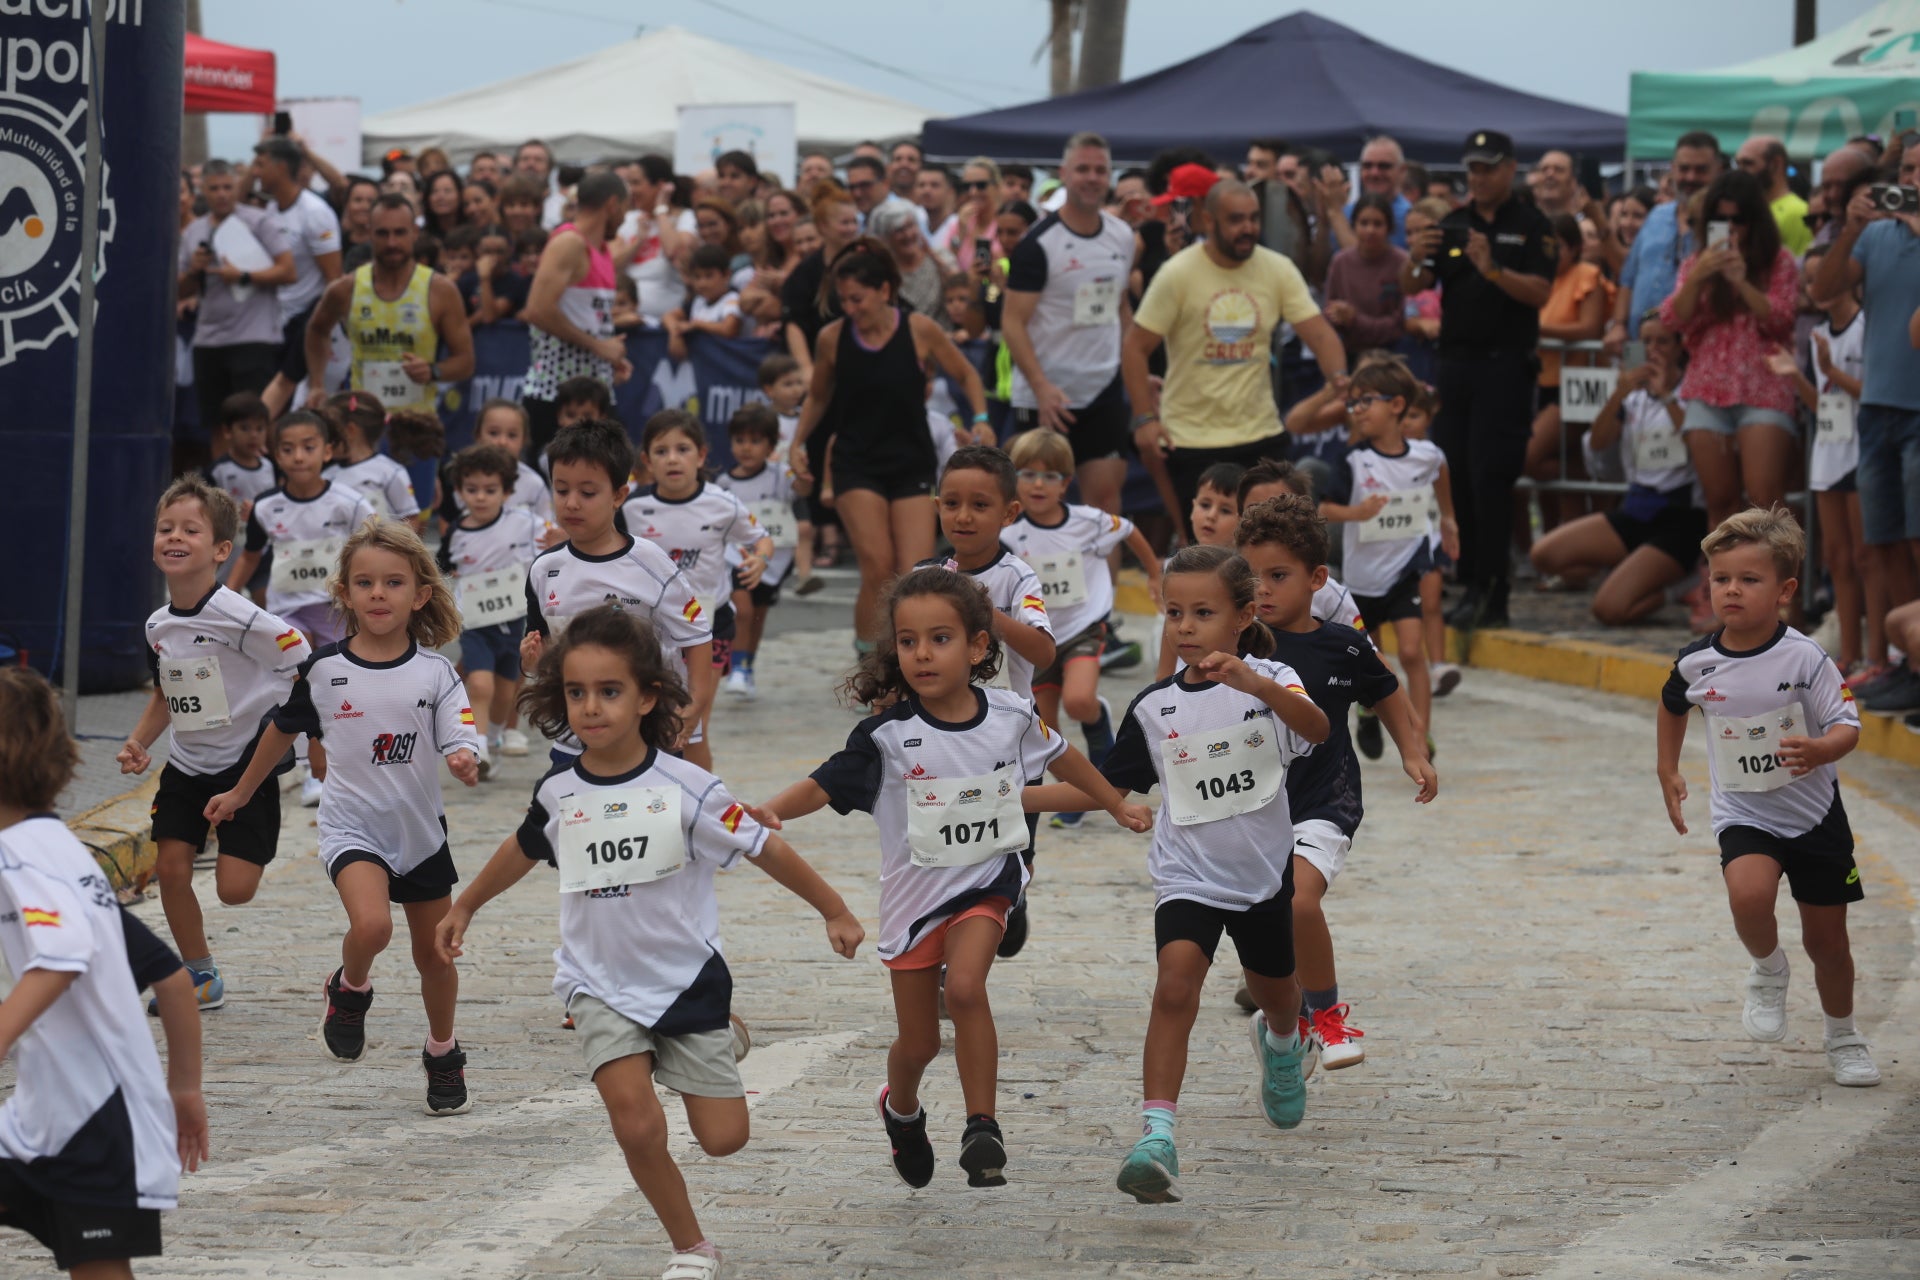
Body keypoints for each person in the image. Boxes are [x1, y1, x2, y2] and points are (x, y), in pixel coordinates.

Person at [438, 606, 859, 1280]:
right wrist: (466, 905)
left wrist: (833, 908)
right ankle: (692, 1247)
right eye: (576, 692)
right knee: (635, 1122)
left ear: (647, 698)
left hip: (686, 979)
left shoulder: (690, 787)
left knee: (724, 1140)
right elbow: (521, 849)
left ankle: (723, 1035)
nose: (590, 707)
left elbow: (763, 848)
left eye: (609, 691)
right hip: (596, 981)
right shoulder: (559, 790)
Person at [763, 565, 1147, 1191]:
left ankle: (982, 1127)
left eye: (939, 638)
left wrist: (1113, 801)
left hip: (987, 883)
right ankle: (902, 1110)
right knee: (917, 1045)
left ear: (976, 646)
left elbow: (1063, 756)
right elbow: (822, 783)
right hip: (914, 905)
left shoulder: (1013, 714)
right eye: (908, 641)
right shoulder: (886, 738)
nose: (921, 653)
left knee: (966, 989)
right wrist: (772, 810)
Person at [1032, 546, 1328, 1203]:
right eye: (1173, 613)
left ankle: (1283, 1042)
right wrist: (1006, 799)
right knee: (1174, 987)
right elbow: (1106, 786)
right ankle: (1155, 1135)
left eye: (1203, 612)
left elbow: (1319, 727)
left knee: (1278, 994)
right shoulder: (1155, 707)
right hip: (1187, 874)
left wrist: (1259, 687)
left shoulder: (1274, 681)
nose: (1185, 626)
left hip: (1261, 879)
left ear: (1244, 617)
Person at [206, 519, 483, 1113]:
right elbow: (281, 732)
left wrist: (464, 754)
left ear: (420, 595)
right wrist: (238, 792)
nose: (378, 593)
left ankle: (442, 1051)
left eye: (393, 582)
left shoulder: (436, 672)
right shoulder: (326, 671)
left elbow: (460, 728)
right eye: (365, 583)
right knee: (374, 927)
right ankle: (351, 988)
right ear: (346, 594)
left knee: (434, 956)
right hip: (353, 829)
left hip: (421, 835)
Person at [1656, 507, 1878, 1088]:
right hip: (1745, 812)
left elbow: (1847, 723)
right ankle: (1768, 969)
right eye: (1721, 578)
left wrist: (1822, 751)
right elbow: (1672, 702)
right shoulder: (1696, 661)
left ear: (1784, 591)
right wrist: (1667, 768)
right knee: (1748, 895)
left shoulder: (1806, 658)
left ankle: (1844, 1034)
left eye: (1749, 580)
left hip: (1812, 817)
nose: (1731, 590)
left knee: (1828, 944)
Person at [0, 667, 206, 1280]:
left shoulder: (25, 854)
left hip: (97, 1120)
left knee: (99, 1269)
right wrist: (185, 1088)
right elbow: (168, 975)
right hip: (45, 1115)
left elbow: (58, 960)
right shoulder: (64, 852)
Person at [1233, 494, 1436, 1064]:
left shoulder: (1343, 644)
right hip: (1251, 810)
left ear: (1317, 578)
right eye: (1250, 577)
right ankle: (1285, 1024)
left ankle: (1327, 1017)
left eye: (1278, 575)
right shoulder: (1234, 646)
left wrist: (1411, 753)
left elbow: (1388, 692)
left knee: (1299, 902)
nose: (1263, 589)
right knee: (1265, 932)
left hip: (1325, 800)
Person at [116, 477, 311, 1014]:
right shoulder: (158, 625)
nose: (174, 537)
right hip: (186, 765)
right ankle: (200, 973)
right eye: (165, 528)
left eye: (190, 530)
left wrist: (298, 728)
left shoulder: (243, 616)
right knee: (172, 867)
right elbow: (166, 691)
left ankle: (248, 833)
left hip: (246, 767)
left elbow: (304, 662)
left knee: (235, 890)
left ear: (221, 550)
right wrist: (139, 741)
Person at [789, 244, 990, 647]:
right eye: (843, 300)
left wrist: (982, 420)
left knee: (915, 573)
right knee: (877, 566)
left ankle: (909, 659)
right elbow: (818, 396)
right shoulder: (832, 338)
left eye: (857, 298)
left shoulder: (918, 329)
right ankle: (870, 659)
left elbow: (966, 374)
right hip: (855, 463)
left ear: (883, 290)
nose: (851, 308)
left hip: (910, 462)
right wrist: (797, 443)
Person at [1127, 180, 1348, 533]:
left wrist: (1338, 379)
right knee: (1203, 552)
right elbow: (1135, 347)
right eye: (1236, 220)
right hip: (1191, 437)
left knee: (1270, 543)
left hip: (1260, 431)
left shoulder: (1277, 268)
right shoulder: (1178, 273)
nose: (1248, 228)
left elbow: (1320, 333)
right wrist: (1143, 419)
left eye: (1254, 218)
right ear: (1209, 221)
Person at [1401, 130, 1555, 629]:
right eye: (1472, 168)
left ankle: (1496, 586)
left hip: (1505, 365)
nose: (1479, 177)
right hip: (1456, 365)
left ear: (1511, 168)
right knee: (1457, 477)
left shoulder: (1531, 224)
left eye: (1488, 167)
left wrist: (1492, 270)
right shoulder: (1454, 222)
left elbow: (1539, 292)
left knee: (1493, 478)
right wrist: (1416, 255)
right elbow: (1415, 284)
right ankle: (1469, 583)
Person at [522, 420, 715, 767]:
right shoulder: (543, 569)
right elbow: (543, 655)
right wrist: (532, 661)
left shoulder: (651, 562)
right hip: (576, 736)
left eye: (588, 492)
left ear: (618, 496)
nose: (572, 503)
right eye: (561, 490)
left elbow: (697, 636)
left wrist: (695, 705)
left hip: (651, 734)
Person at [1809, 141, 1920, 714]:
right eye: (1906, 172)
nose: (1911, 181)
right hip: (1877, 408)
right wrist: (1847, 229)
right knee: (1886, 540)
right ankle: (1910, 662)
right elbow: (1823, 290)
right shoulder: (1877, 235)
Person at [1001, 428, 1161, 817]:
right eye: (1027, 474)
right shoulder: (1009, 532)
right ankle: (1077, 796)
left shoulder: (1088, 521)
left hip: (1083, 628)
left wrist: (1155, 574)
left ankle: (1096, 720)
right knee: (1046, 728)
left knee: (1079, 701)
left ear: (1066, 484)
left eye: (1050, 476)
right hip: (1037, 637)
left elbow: (1129, 530)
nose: (1038, 484)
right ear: (1013, 481)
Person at [1300, 360, 1457, 747]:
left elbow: (1441, 475)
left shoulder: (1426, 454)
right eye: (1353, 403)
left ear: (1398, 405)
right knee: (1372, 659)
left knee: (1410, 651)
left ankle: (1421, 732)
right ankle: (1369, 711)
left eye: (1367, 401)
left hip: (1405, 571)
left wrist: (1449, 520)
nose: (1357, 410)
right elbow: (1324, 508)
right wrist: (1358, 513)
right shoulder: (1353, 460)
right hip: (1362, 578)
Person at [1530, 313, 1704, 624]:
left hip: (1678, 516)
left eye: (1662, 341)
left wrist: (1666, 396)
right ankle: (1632, 568)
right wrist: (1617, 395)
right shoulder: (1632, 395)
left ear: (1680, 346)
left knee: (1608, 610)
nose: (1653, 349)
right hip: (1635, 509)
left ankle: (1679, 586)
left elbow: (1698, 449)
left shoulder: (1692, 391)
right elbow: (1597, 444)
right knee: (1543, 554)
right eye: (1646, 341)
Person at [1001, 132, 1139, 520]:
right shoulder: (1039, 244)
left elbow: (1121, 307)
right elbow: (1012, 323)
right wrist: (1042, 388)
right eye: (1083, 169)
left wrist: (1136, 373)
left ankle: (1103, 584)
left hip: (1102, 390)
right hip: (1047, 397)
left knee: (1106, 509)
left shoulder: (1122, 235)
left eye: (1100, 170)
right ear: (1064, 174)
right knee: (1033, 509)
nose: (1092, 178)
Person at [624, 410, 772, 769]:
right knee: (645, 720)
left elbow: (762, 538)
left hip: (709, 625)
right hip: (650, 628)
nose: (672, 458)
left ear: (701, 455)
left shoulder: (723, 504)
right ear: (646, 460)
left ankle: (704, 805)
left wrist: (760, 560)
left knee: (692, 724)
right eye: (661, 451)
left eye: (683, 449)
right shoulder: (632, 507)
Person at [1659, 170, 1800, 539]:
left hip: (1764, 387)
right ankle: (1721, 592)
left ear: (1755, 220)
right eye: (1721, 219)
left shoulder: (1779, 261)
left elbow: (1782, 320)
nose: (1730, 228)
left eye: (1738, 219)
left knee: (1764, 502)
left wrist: (1741, 281)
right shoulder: (1696, 264)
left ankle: (1783, 595)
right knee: (1719, 502)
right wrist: (1697, 278)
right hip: (1707, 390)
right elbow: (1673, 318)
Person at [1769, 247, 1883, 677]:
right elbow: (1823, 404)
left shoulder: (1864, 326)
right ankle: (1849, 655)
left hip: (1861, 450)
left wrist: (1832, 370)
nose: (1816, 287)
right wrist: (1799, 376)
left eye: (1823, 276)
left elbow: (1870, 391)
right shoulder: (1820, 331)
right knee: (1838, 558)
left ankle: (1876, 656)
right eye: (1811, 279)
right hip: (1829, 452)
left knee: (1866, 556)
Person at [303, 194, 475, 419]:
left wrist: (433, 370)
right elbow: (317, 330)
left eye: (400, 232)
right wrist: (317, 384)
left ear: (415, 232)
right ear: (370, 233)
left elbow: (466, 361)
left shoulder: (440, 290)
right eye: (383, 233)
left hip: (417, 425)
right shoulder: (346, 289)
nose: (392, 243)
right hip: (362, 423)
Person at [224, 410, 379, 657]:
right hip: (286, 608)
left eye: (308, 448)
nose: (298, 457)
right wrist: (226, 598)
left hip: (335, 609)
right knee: (297, 661)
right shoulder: (264, 506)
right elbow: (250, 556)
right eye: (287, 450)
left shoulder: (351, 504)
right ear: (276, 456)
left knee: (337, 669)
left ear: (327, 452)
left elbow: (377, 550)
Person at [437, 444, 544, 772]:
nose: (481, 497)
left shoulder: (526, 523)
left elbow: (553, 542)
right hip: (477, 624)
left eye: (490, 490)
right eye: (472, 490)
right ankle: (478, 744)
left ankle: (495, 735)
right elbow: (446, 566)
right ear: (459, 492)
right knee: (480, 684)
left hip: (516, 622)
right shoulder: (456, 532)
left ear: (507, 492)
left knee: (505, 690)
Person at [178, 159, 298, 436]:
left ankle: (263, 478)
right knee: (217, 426)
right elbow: (180, 291)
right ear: (202, 193)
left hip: (254, 339)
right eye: (214, 188)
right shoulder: (194, 231)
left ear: (237, 188)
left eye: (227, 187)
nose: (221, 194)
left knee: (256, 425)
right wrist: (195, 271)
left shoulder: (259, 221)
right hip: (208, 340)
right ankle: (222, 480)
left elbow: (288, 271)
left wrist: (244, 276)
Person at [521, 172, 633, 457]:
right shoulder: (569, 242)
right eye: (624, 208)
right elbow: (537, 309)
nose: (624, 218)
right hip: (555, 395)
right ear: (612, 204)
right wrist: (599, 347)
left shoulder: (603, 250)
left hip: (595, 392)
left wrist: (610, 359)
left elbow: (588, 318)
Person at [1524, 212, 1613, 526]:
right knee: (1561, 462)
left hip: (1580, 386)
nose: (1548, 252)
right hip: (1540, 383)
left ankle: (1606, 483)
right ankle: (1571, 561)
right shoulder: (1535, 279)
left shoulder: (1587, 274)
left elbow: (1590, 329)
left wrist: (1538, 330)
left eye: (1556, 246)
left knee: (1530, 457)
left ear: (1574, 247)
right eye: (1542, 245)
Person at [1606, 131, 1722, 355]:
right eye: (1684, 168)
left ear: (1718, 170)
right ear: (1673, 168)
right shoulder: (1656, 215)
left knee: (1682, 392)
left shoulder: (1721, 226)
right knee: (1634, 389)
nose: (1690, 177)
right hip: (1636, 343)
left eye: (1701, 170)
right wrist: (1618, 325)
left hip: (1690, 350)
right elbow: (1628, 278)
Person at [252, 138, 343, 417]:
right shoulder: (270, 210)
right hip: (278, 318)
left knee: (284, 384)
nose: (255, 172)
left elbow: (334, 278)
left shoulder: (315, 213)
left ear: (281, 167)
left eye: (261, 164)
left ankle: (250, 446)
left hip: (310, 315)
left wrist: (325, 329)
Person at [717, 404, 800, 699]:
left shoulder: (780, 475)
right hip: (736, 557)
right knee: (743, 608)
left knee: (757, 616)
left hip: (774, 560)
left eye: (755, 441)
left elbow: (800, 490)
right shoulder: (724, 484)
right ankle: (737, 669)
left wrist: (802, 474)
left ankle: (747, 668)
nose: (746, 448)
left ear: (770, 444)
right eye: (740, 441)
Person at [1322, 192, 1408, 360]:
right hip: (1350, 353)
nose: (1370, 230)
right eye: (1364, 223)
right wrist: (1339, 315)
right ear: (1354, 226)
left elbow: (1400, 324)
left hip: (1393, 354)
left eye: (1377, 224)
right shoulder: (1340, 262)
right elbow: (1328, 312)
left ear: (1389, 228)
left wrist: (1356, 320)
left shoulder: (1402, 263)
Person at [324, 391, 423, 523]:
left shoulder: (389, 472)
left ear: (350, 430)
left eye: (329, 430)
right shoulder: (327, 476)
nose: (323, 437)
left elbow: (411, 518)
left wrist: (395, 544)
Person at [664, 245, 745, 364]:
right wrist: (674, 334)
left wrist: (697, 325)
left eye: (709, 276)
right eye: (697, 277)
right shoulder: (698, 301)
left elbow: (729, 329)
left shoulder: (733, 298)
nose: (702, 283)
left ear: (727, 275)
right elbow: (668, 316)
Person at [869, 201, 947, 323]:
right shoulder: (881, 271)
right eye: (899, 230)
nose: (908, 234)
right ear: (885, 237)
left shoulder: (941, 257)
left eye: (911, 226)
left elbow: (962, 291)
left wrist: (940, 264)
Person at [1734, 135, 1812, 256]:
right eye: (1738, 164)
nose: (1740, 172)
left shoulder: (1797, 212)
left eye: (1748, 164)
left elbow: (1797, 267)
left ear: (1776, 164)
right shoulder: (1747, 209)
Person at [1342, 136, 1412, 249]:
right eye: (1367, 166)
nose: (1374, 173)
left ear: (1402, 171)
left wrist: (1335, 213)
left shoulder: (1409, 218)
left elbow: (1365, 260)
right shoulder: (1346, 212)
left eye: (1383, 166)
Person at [951, 158, 1004, 277]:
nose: (973, 192)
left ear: (997, 187)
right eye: (967, 186)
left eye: (981, 185)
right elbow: (946, 265)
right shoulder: (959, 222)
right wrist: (960, 232)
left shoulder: (1005, 222)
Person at [916, 164, 960, 253]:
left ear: (950, 191)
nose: (926, 190)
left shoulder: (958, 225)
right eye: (921, 185)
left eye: (934, 185)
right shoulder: (912, 220)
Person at [420, 169, 469, 242]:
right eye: (434, 191)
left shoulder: (472, 232)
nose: (440, 197)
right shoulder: (422, 237)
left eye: (447, 191)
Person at [845, 154, 889, 227]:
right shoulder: (854, 224)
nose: (857, 193)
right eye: (852, 187)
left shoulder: (907, 217)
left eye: (864, 185)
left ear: (885, 184)